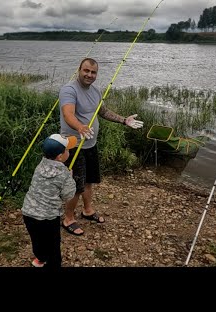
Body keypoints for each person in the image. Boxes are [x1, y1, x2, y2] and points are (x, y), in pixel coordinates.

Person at [59, 57, 144, 236]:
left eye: (93, 72)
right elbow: (68, 114)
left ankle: (87, 210)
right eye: (86, 71)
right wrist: (80, 127)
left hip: (90, 144)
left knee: (89, 180)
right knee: (76, 185)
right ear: (79, 70)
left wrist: (124, 120)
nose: (89, 75)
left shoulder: (96, 91)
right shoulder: (69, 89)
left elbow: (102, 111)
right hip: (74, 146)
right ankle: (68, 219)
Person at [22, 133, 77, 268]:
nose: (69, 152)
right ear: (60, 156)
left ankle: (40, 258)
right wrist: (70, 178)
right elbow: (68, 196)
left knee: (37, 239)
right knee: (53, 245)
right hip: (48, 217)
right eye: (67, 150)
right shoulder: (64, 173)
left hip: (28, 213)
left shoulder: (40, 165)